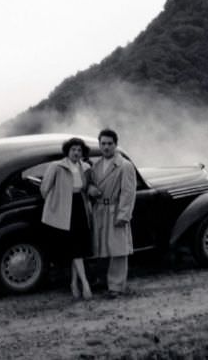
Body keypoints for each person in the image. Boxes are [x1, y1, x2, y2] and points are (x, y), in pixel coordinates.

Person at [40, 137, 94, 299]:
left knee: (77, 249)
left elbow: (86, 188)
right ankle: (85, 284)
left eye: (79, 150)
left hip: (80, 207)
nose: (76, 153)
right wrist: (55, 205)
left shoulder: (85, 167)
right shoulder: (56, 167)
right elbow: (44, 189)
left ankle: (73, 283)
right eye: (73, 150)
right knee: (75, 249)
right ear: (67, 151)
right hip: (64, 210)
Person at [88, 128, 136, 297]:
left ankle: (116, 286)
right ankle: (102, 281)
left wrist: (124, 215)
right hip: (100, 209)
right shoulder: (96, 166)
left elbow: (128, 192)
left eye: (109, 144)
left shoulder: (124, 165)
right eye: (103, 144)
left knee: (118, 250)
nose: (106, 147)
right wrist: (91, 189)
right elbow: (90, 184)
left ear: (116, 145)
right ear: (99, 145)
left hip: (115, 209)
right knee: (101, 247)